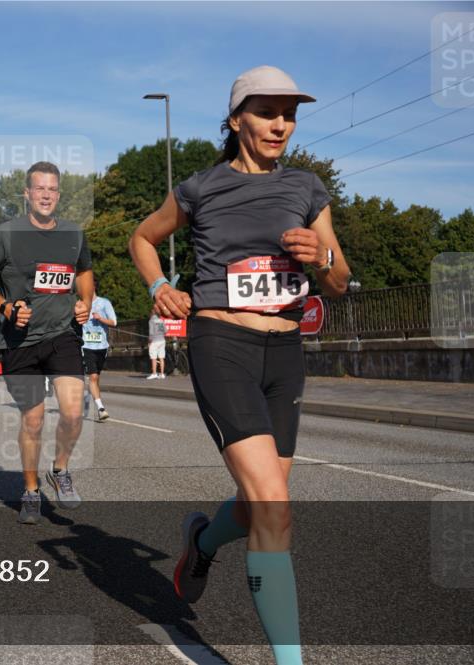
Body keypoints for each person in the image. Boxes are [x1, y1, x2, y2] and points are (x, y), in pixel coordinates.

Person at [130, 66, 350, 665]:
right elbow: (142, 238)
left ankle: (200, 543)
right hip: (220, 342)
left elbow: (338, 281)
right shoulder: (200, 188)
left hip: (283, 354)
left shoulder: (307, 187)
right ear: (235, 120)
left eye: (290, 113)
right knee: (275, 506)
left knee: (259, 504)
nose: (281, 123)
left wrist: (322, 253)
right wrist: (159, 288)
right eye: (267, 111)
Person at [0, 161, 94, 524]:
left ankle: (59, 469)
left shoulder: (73, 233)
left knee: (72, 412)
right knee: (35, 419)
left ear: (58, 194)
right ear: (26, 194)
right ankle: (29, 488)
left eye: (52, 189)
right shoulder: (7, 234)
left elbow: (84, 271)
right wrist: (5, 308)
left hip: (63, 333)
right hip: (19, 341)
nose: (46, 195)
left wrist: (84, 301)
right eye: (39, 188)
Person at [81, 288, 116, 421]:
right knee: (93, 376)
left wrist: (100, 318)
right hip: (86, 346)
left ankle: (89, 398)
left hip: (102, 346)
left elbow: (114, 322)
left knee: (96, 378)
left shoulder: (104, 303)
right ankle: (101, 409)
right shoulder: (80, 304)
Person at [147, 308, 167, 379]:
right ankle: (162, 374)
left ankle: (154, 373)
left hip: (154, 341)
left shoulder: (151, 321)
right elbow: (165, 331)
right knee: (161, 357)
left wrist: (149, 342)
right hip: (162, 340)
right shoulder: (161, 320)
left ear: (151, 314)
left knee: (154, 358)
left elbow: (151, 333)